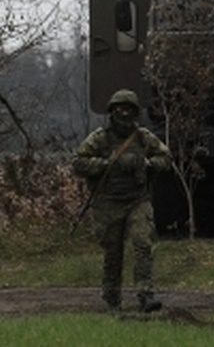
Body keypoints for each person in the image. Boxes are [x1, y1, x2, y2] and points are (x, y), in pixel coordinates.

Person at [73, 89, 172, 313]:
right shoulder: (100, 138)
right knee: (113, 252)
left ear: (135, 112)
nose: (125, 113)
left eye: (129, 109)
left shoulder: (144, 137)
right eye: (120, 108)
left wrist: (148, 164)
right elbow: (78, 162)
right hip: (108, 203)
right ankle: (112, 299)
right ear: (113, 111)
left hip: (137, 200)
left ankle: (146, 295)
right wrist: (107, 164)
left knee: (143, 244)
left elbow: (166, 157)